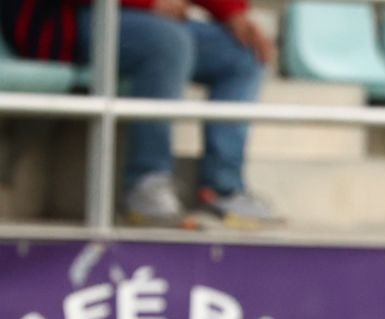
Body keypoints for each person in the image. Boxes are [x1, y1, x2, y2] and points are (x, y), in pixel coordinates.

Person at [0, 0, 281, 227]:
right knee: (168, 42)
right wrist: (148, 3)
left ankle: (222, 188)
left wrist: (233, 13)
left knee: (243, 53)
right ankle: (146, 183)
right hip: (65, 20)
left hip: (145, 20)